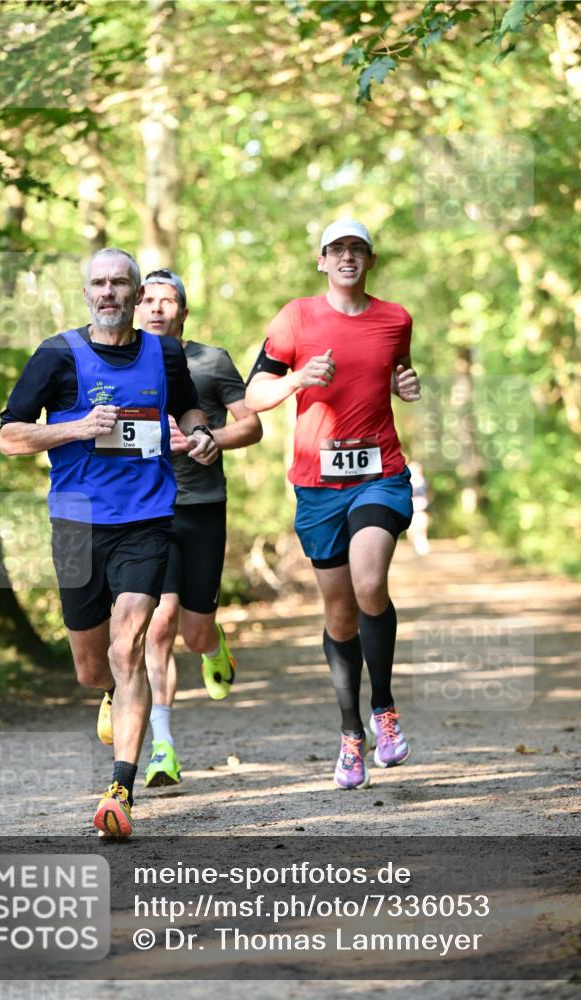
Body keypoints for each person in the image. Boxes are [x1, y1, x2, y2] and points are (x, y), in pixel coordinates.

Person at [0, 247, 218, 837]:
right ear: (86, 291)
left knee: (129, 648)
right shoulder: (55, 355)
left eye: (121, 284)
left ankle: (120, 786)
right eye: (99, 283)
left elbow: (189, 407)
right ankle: (112, 694)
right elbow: (10, 437)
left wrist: (200, 435)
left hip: (146, 519)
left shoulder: (163, 352)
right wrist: (76, 427)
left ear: (137, 296)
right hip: (75, 524)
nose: (110, 293)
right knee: (92, 666)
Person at [245, 220, 421, 791]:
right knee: (340, 614)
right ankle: (351, 735)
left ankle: (385, 711)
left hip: (381, 474)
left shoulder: (395, 318)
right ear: (322, 260)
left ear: (370, 260)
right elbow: (253, 398)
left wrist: (405, 385)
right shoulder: (295, 317)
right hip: (317, 486)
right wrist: (296, 378)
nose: (347, 257)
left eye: (357, 249)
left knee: (371, 580)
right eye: (337, 249)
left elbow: (393, 372)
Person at [136, 269, 262, 788]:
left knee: (193, 631)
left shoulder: (210, 361)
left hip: (202, 504)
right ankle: (162, 748)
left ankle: (213, 647)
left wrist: (210, 439)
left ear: (184, 313)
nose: (158, 308)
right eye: (149, 300)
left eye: (169, 301)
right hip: (143, 508)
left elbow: (252, 424)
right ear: (136, 309)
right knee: (158, 621)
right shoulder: (117, 365)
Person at [408, 460, 431, 556]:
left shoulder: (424, 481)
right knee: (411, 528)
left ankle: (422, 544)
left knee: (422, 526)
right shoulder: (408, 482)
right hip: (411, 507)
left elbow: (427, 494)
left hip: (421, 508)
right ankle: (414, 545)